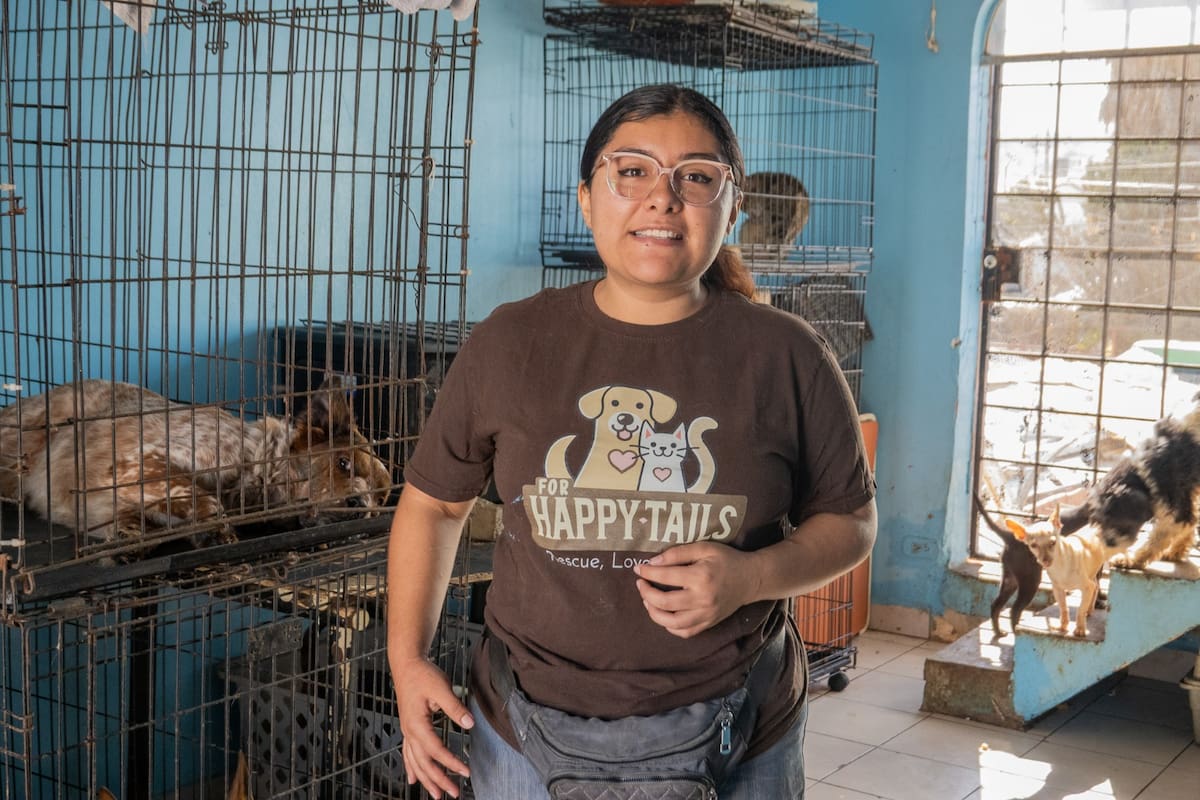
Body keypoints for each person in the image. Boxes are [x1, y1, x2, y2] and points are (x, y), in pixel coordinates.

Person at [387, 83, 877, 800]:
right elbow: (433, 506)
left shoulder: (787, 354)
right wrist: (406, 660)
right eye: (632, 170)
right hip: (523, 722)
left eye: (697, 177)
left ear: (732, 207)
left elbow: (852, 521)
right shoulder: (510, 343)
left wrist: (749, 578)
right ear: (587, 197)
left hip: (738, 720)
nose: (663, 197)